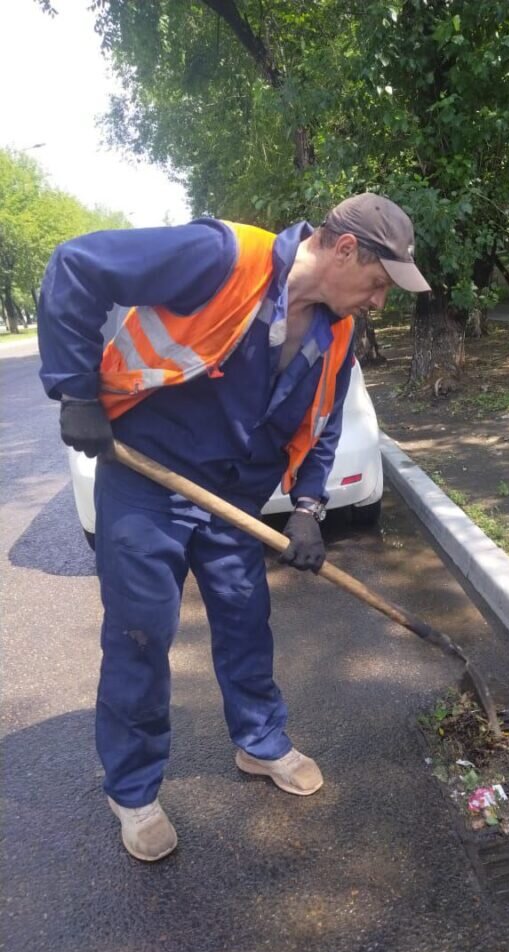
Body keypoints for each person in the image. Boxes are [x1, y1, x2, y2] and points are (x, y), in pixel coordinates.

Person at [38, 193, 430, 862]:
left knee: (246, 620)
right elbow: (77, 265)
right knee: (142, 634)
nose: (378, 302)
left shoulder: (336, 331)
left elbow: (326, 420)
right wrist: (77, 390)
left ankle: (260, 741)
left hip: (234, 498)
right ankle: (132, 791)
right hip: (147, 478)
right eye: (378, 282)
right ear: (345, 251)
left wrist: (308, 508)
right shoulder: (223, 257)